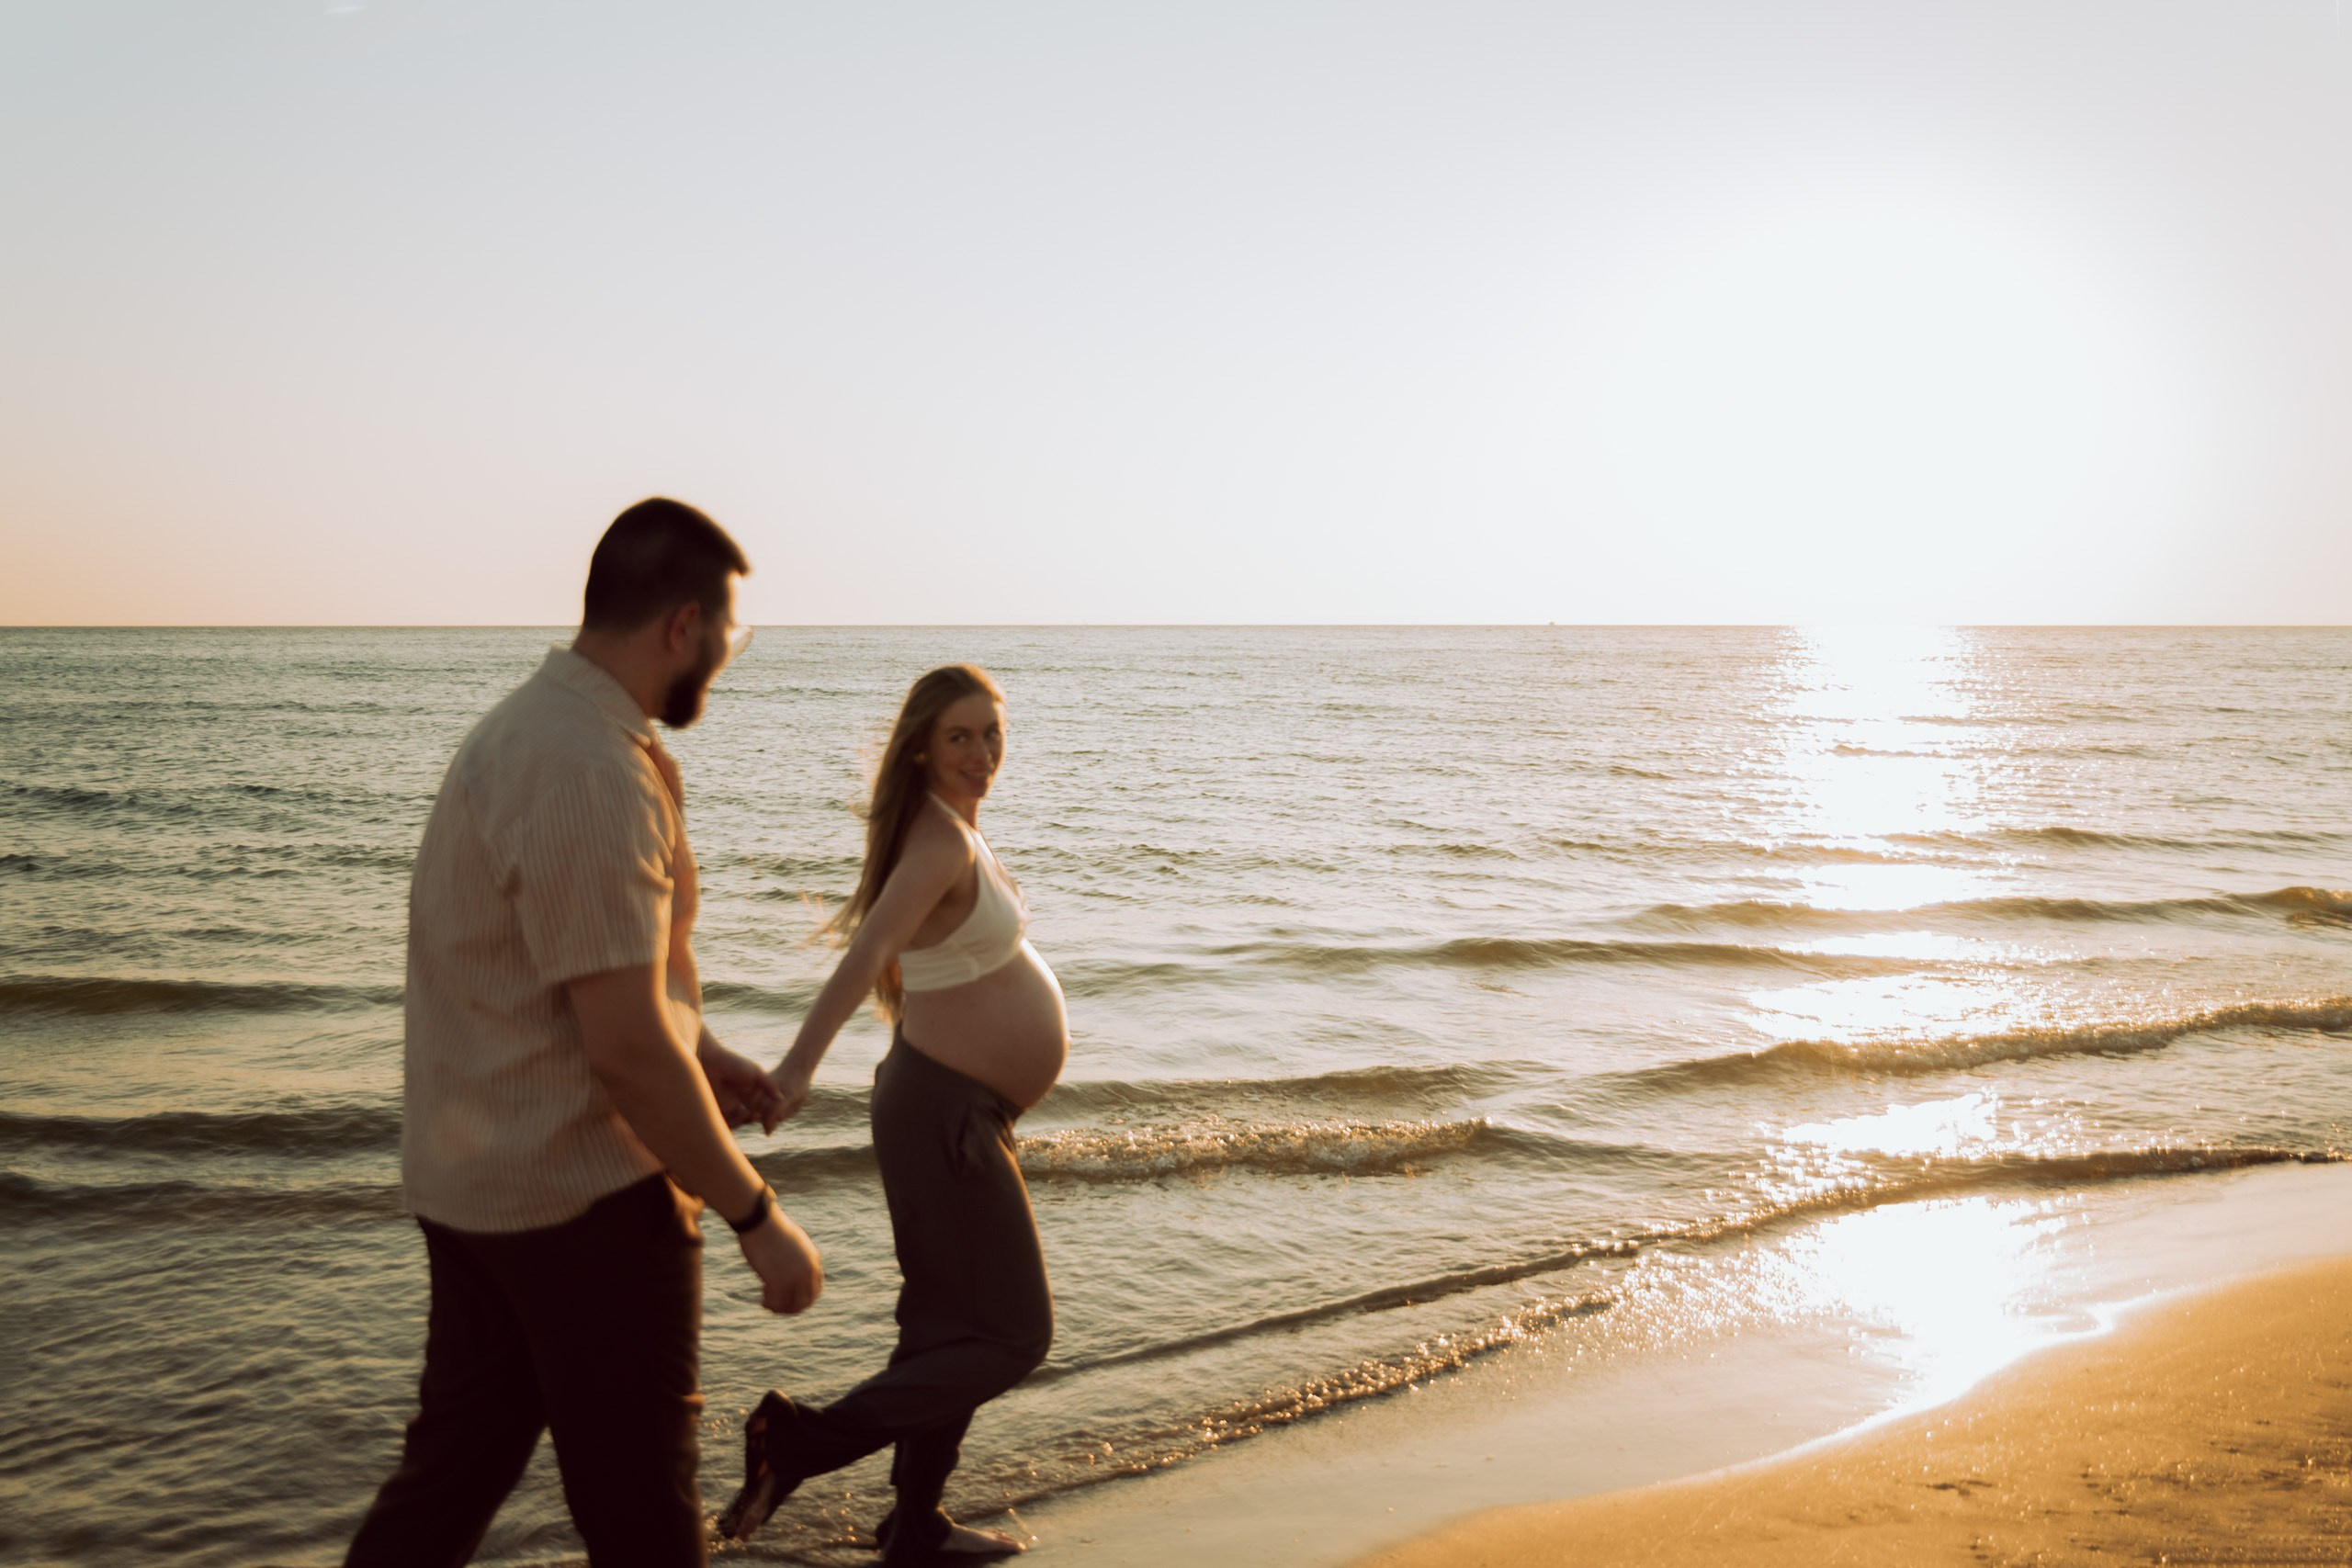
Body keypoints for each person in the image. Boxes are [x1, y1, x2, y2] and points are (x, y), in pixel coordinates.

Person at [346, 498, 824, 1568]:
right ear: (681, 627)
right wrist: (756, 1215)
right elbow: (621, 1052)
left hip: (482, 1191)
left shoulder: (531, 734)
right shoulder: (589, 770)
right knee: (643, 1519)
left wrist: (703, 1055)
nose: (730, 657)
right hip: (582, 1206)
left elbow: (561, 983)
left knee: (449, 1483)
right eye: (731, 633)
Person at [720, 663, 1066, 1562]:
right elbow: (869, 944)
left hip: (952, 1110)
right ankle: (802, 1441)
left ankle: (914, 1524)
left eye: (992, 734)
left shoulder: (950, 830)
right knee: (1014, 1334)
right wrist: (797, 1067)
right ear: (920, 745)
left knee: (947, 1327)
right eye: (961, 736)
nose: (981, 753)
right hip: (942, 1113)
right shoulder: (940, 841)